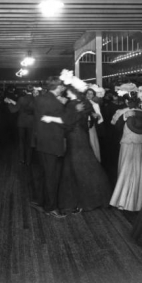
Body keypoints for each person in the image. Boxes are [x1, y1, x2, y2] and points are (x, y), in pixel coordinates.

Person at [52, 77, 111, 214]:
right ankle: (94, 198)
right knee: (85, 164)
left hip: (74, 136)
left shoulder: (73, 104)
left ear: (71, 91)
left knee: (78, 166)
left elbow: (67, 122)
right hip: (81, 135)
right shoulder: (82, 103)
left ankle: (81, 200)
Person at [33, 75, 69, 218]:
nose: (63, 88)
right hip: (53, 143)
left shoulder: (39, 99)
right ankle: (51, 207)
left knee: (44, 173)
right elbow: (66, 122)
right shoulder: (57, 103)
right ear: (58, 87)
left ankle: (40, 201)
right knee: (52, 177)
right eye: (62, 86)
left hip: (42, 142)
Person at [110, 93, 142, 212]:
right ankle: (129, 200)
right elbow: (116, 128)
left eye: (134, 100)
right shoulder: (122, 112)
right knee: (129, 169)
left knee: (137, 169)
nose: (132, 102)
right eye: (130, 100)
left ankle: (133, 201)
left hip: (137, 143)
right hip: (129, 143)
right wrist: (124, 117)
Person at [5, 85, 35, 166]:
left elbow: (14, 110)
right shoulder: (36, 99)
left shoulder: (21, 99)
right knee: (29, 142)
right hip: (31, 122)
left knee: (21, 141)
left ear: (25, 91)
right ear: (32, 91)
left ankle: (22, 159)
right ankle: (28, 161)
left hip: (21, 122)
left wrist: (9, 103)